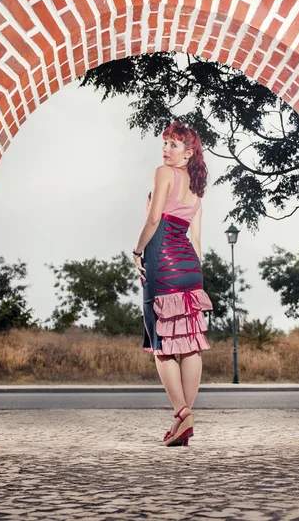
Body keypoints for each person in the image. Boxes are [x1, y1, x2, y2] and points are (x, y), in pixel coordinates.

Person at [132, 120, 213, 447]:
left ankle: (182, 413)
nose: (166, 149)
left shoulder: (163, 174)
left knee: (161, 345)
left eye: (174, 145)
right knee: (191, 344)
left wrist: (137, 252)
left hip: (162, 265)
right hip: (190, 269)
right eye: (165, 142)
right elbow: (196, 241)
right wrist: (196, 276)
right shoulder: (197, 195)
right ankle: (185, 418)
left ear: (188, 152)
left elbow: (153, 221)